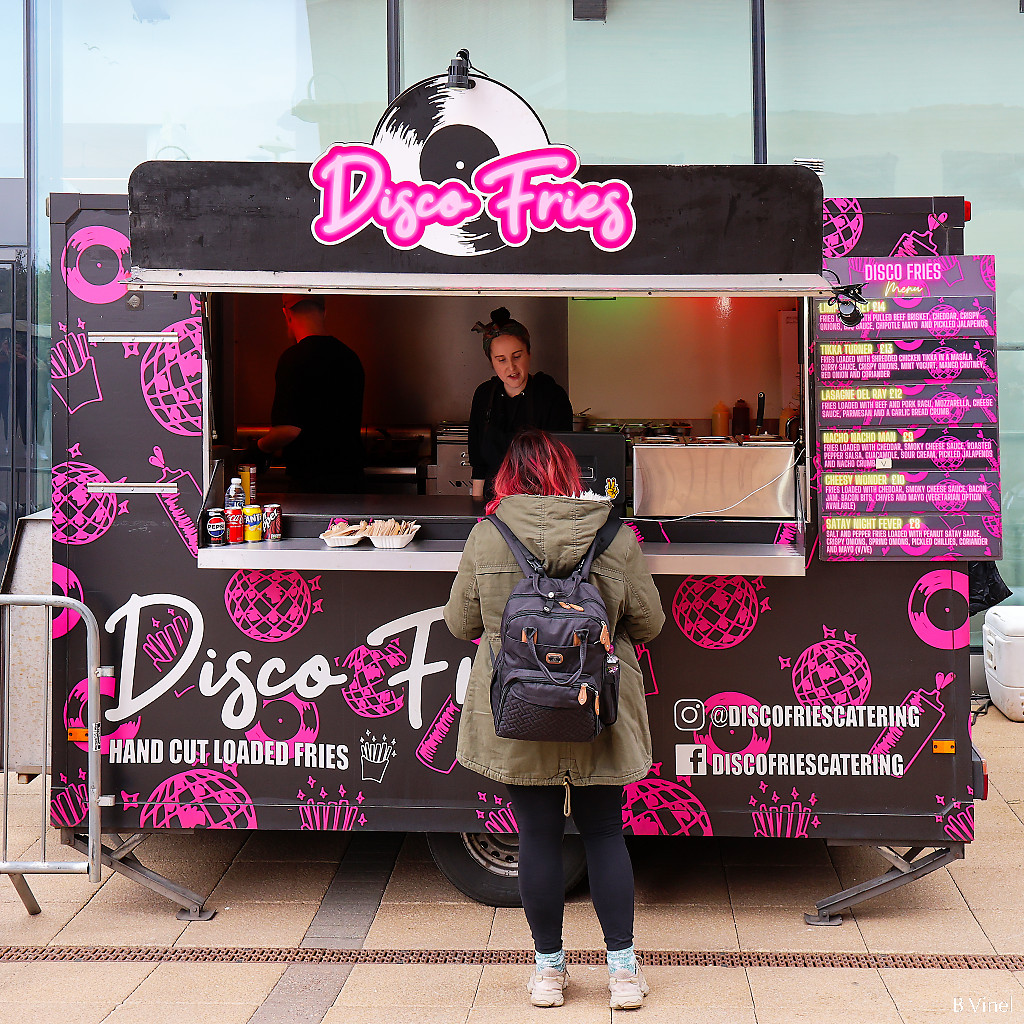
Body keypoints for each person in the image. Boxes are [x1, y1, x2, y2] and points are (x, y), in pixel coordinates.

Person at [443, 428, 665, 1011]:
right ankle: (622, 974)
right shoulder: (615, 535)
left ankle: (548, 973)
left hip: (518, 710)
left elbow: (461, 622)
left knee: (537, 837)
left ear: (509, 480)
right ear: (572, 473)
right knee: (604, 834)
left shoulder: (487, 537)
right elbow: (648, 624)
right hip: (599, 710)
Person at [256, 295, 365, 493]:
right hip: (351, 482)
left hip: (311, 484)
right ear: (324, 312)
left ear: (286, 313)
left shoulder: (293, 359)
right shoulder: (349, 357)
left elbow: (289, 429)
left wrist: (260, 447)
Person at [468, 307, 573, 501]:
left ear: (529, 353)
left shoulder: (551, 396)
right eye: (501, 360)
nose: (511, 367)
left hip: (541, 505)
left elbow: (562, 465)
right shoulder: (484, 395)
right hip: (493, 505)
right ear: (491, 362)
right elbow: (479, 466)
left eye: (517, 356)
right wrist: (476, 512)